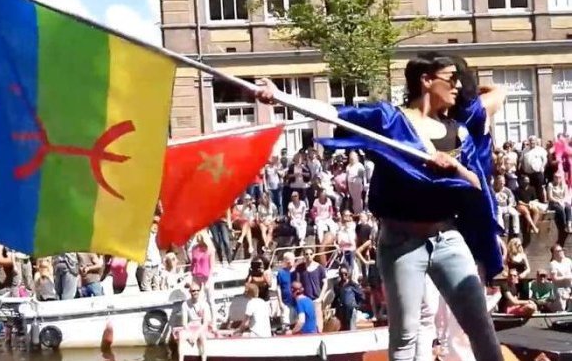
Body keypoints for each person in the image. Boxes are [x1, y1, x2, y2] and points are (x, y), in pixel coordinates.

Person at [256, 53, 504, 361]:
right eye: (451, 79)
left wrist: (455, 167)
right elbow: (332, 114)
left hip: (447, 239)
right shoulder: (389, 120)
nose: (458, 86)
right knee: (405, 335)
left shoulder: (459, 131)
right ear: (426, 80)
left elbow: (478, 186)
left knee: (480, 327)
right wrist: (280, 96)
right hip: (402, 243)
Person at [178, 281, 211, 361]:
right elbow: (184, 322)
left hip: (201, 326)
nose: (195, 292)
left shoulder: (204, 304)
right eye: (193, 291)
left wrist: (196, 334)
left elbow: (205, 323)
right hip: (190, 326)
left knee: (202, 337)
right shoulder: (185, 304)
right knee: (181, 335)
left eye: (197, 290)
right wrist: (190, 334)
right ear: (190, 292)